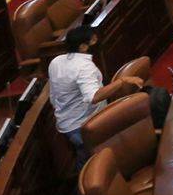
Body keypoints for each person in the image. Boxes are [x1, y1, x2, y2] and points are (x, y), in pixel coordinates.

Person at [49, 26, 125, 160]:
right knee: (98, 161)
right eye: (94, 40)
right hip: (85, 126)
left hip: (66, 124)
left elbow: (53, 97)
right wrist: (122, 81)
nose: (97, 41)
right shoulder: (84, 67)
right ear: (83, 47)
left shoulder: (56, 61)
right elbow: (94, 97)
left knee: (85, 158)